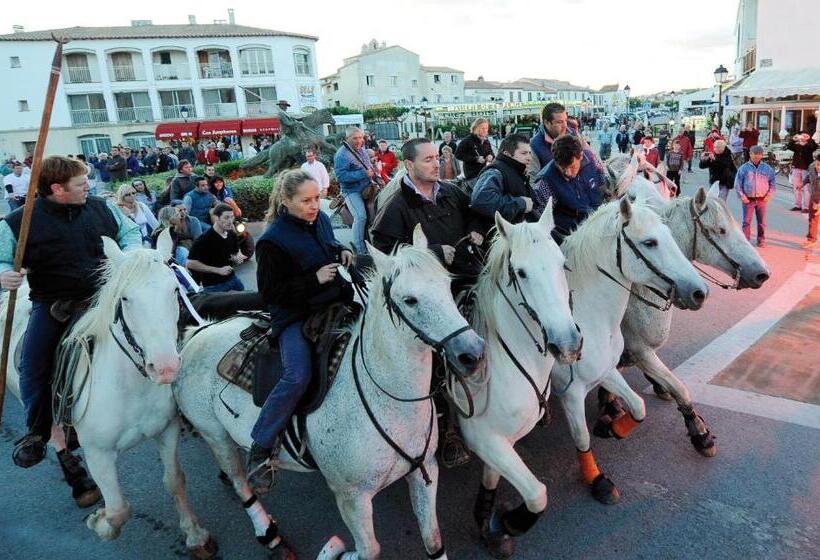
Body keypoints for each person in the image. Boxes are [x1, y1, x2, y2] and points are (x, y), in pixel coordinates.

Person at [0, 156, 141, 467]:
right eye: (80, 184)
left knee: (156, 328)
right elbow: (2, 260)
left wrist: (129, 258)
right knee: (33, 363)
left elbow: (130, 235)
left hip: (104, 297)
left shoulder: (101, 208)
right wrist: (4, 274)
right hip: (54, 304)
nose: (88, 187)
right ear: (57, 189)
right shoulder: (18, 222)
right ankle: (37, 431)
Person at [370, 138, 483, 468]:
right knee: (437, 361)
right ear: (409, 165)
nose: (437, 164)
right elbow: (385, 256)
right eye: (429, 160)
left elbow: (477, 212)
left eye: (438, 158)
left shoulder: (449, 191)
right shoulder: (395, 206)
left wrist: (475, 231)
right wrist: (431, 254)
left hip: (466, 276)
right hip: (429, 298)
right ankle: (447, 429)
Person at [247, 169, 354, 490]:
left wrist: (342, 252)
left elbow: (329, 244)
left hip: (333, 302)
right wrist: (313, 280)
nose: (314, 205)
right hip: (294, 315)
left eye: (317, 198)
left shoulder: (320, 220)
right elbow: (270, 293)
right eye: (306, 200)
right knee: (297, 374)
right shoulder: (271, 240)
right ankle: (262, 443)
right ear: (286, 201)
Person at [532, 134, 605, 244]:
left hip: (599, 226)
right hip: (572, 240)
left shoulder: (591, 159)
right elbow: (540, 221)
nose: (568, 173)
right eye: (562, 168)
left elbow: (602, 179)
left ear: (580, 156)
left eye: (572, 167)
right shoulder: (545, 182)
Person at [471, 133, 536, 237]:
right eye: (524, 153)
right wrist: (520, 204)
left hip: (519, 235)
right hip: (502, 240)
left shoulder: (518, 171)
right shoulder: (495, 172)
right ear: (507, 153)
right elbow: (481, 200)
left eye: (529, 153)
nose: (529, 157)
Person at [334, 126, 377, 254]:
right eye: (355, 138)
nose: (359, 141)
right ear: (347, 139)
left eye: (361, 138)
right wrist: (363, 174)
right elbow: (341, 177)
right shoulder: (341, 155)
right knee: (361, 216)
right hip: (351, 191)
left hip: (367, 187)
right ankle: (361, 251)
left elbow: (368, 166)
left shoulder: (362, 149)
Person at [186, 203, 246, 293]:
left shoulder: (231, 233)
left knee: (245, 302)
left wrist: (238, 256)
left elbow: (236, 250)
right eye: (226, 218)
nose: (230, 221)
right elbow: (190, 263)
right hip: (213, 286)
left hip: (233, 279)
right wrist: (218, 270)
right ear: (217, 218)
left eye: (232, 217)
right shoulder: (204, 239)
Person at [734, 145, 776, 247]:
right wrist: (742, 197)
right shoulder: (743, 169)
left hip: (762, 199)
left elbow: (773, 183)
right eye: (754, 154)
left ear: (762, 155)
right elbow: (738, 184)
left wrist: (769, 195)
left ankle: (761, 239)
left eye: (759, 155)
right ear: (750, 154)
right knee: (746, 222)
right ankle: (746, 241)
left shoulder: (767, 169)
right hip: (748, 199)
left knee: (762, 222)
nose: (756, 156)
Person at [530, 103, 569, 176]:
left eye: (565, 120)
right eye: (559, 122)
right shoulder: (535, 145)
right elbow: (533, 177)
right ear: (547, 123)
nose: (565, 126)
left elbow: (590, 159)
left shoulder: (573, 134)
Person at [786, 131, 819, 213]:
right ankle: (798, 205)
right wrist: (793, 139)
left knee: (806, 188)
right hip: (796, 167)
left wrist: (809, 139)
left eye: (805, 135)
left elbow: (815, 146)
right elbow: (789, 146)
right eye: (802, 135)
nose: (803, 137)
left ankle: (806, 207)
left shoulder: (810, 144)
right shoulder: (797, 144)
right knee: (797, 187)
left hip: (806, 169)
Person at [455, 117, 494, 184]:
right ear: (476, 128)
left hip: (483, 173)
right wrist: (475, 159)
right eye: (482, 128)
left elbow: (491, 152)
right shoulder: (467, 140)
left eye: (486, 128)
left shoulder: (486, 141)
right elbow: (458, 155)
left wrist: (491, 156)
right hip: (472, 175)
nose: (485, 130)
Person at [803, 154, 820, 249]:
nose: (818, 167)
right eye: (817, 164)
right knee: (812, 218)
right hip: (814, 197)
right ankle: (811, 239)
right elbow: (809, 177)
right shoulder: (812, 167)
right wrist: (802, 184)